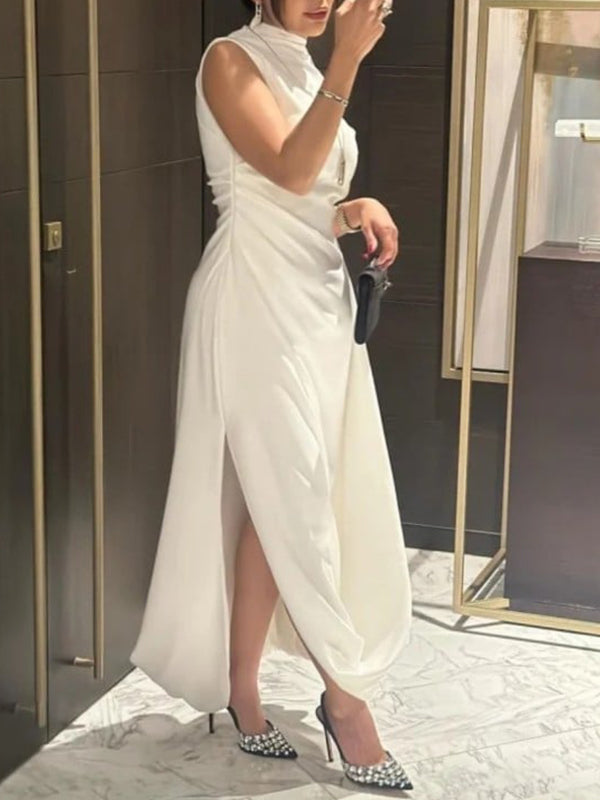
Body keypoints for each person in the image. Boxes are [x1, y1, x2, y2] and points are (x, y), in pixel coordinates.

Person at [130, 0, 413, 790]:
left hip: (315, 304)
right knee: (296, 502)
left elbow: (302, 198)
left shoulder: (302, 63)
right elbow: (285, 170)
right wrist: (348, 62)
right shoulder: (230, 59)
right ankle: (346, 706)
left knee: (278, 503)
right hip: (253, 304)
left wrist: (354, 209)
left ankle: (243, 693)